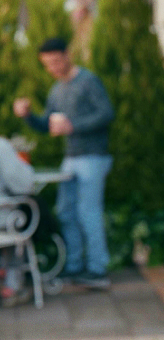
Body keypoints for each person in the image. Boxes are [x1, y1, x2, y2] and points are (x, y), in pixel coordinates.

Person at [13, 37, 114, 289]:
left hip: (93, 157)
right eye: (48, 64)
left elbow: (106, 113)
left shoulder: (88, 81)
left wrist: (74, 126)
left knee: (88, 213)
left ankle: (97, 270)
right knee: (66, 212)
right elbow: (48, 125)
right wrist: (27, 116)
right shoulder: (56, 90)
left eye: (56, 61)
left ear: (68, 55)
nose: (54, 68)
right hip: (70, 159)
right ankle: (74, 267)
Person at [0, 136, 36, 306]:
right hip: (4, 221)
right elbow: (24, 184)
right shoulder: (2, 147)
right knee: (18, 219)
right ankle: (12, 286)